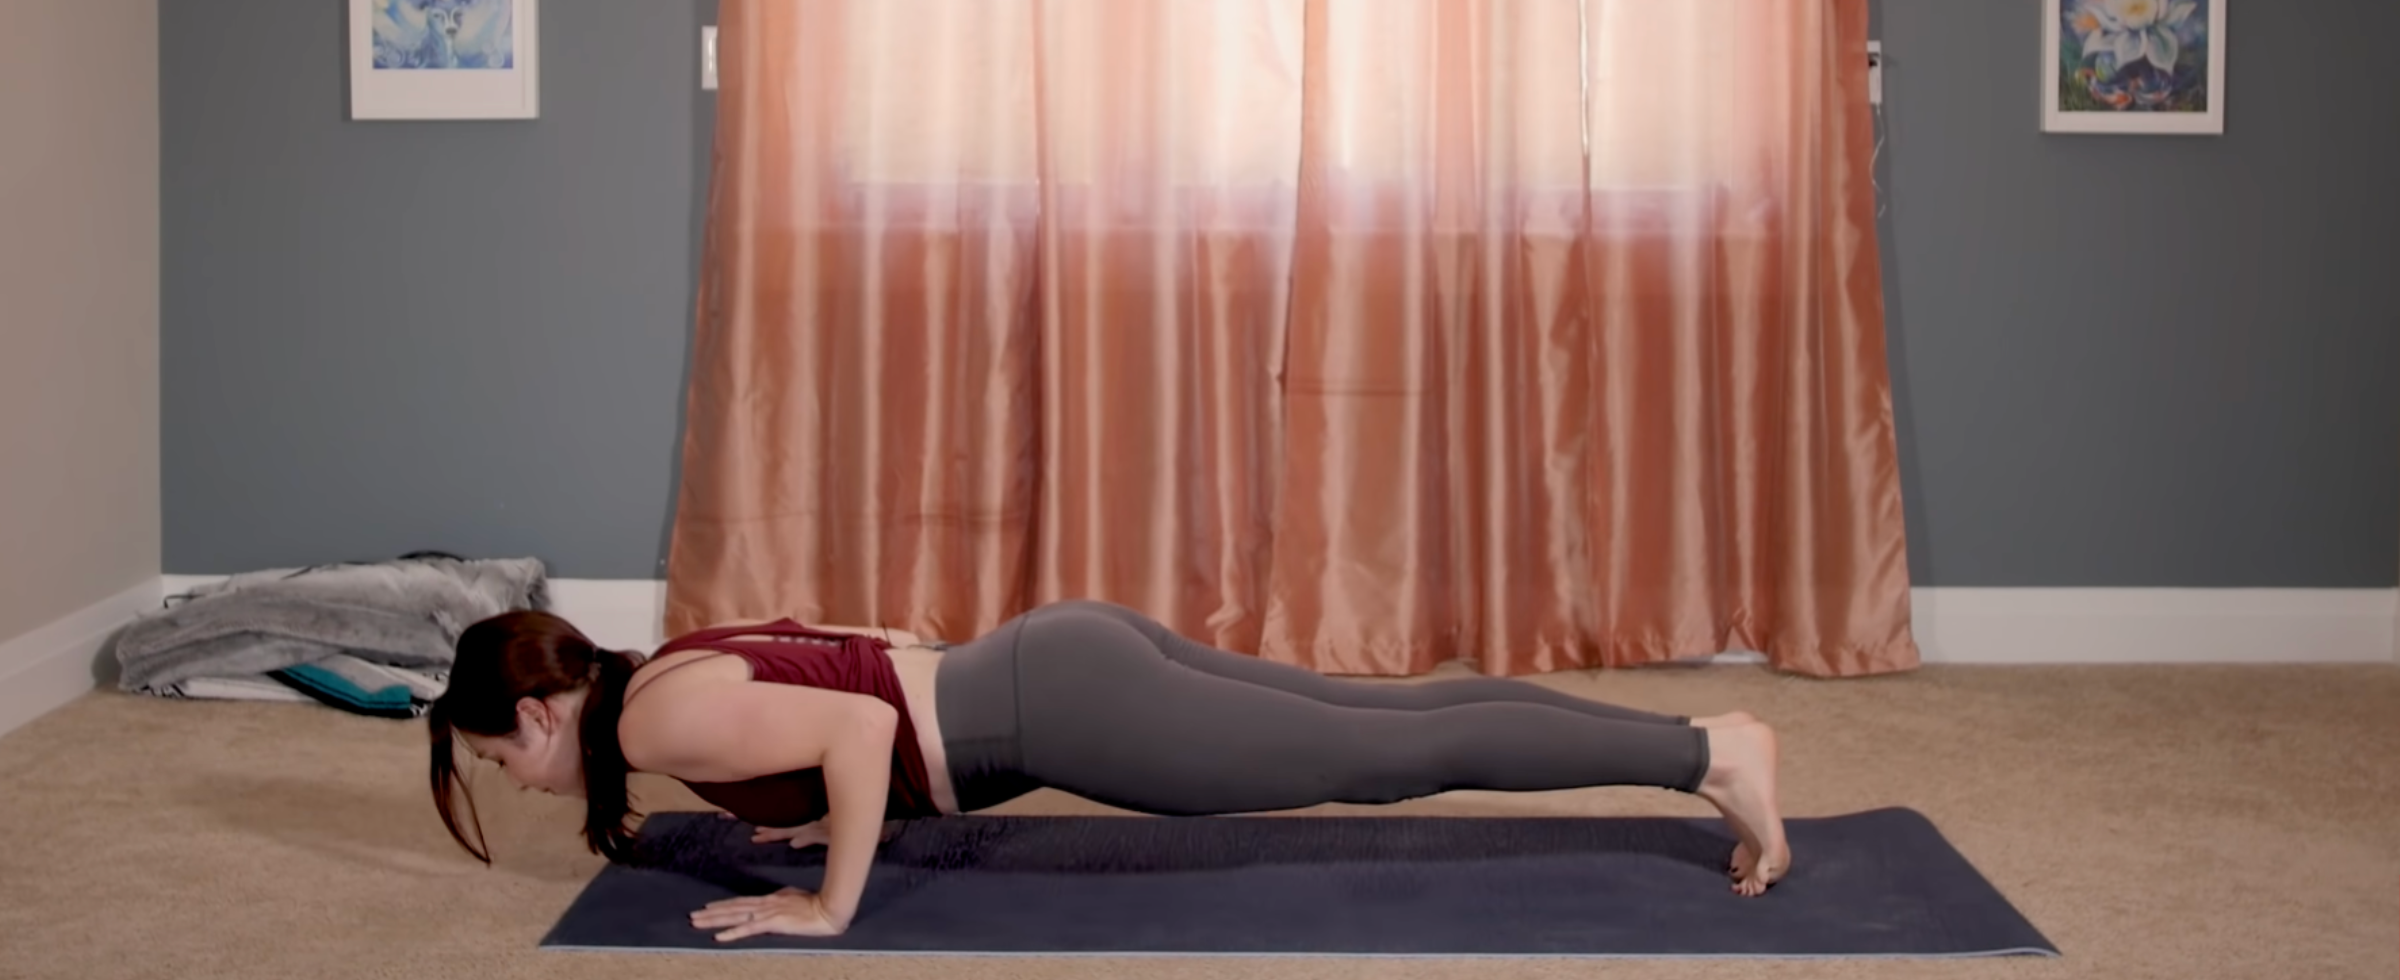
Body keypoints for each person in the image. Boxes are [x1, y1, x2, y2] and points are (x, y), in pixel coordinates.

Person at [428, 600, 1788, 942]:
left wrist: (833, 898)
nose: (510, 773)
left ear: (545, 710)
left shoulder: (655, 732)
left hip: (1058, 715)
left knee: (1390, 755)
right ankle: (1695, 749)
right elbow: (850, 663)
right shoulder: (661, 672)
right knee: (1395, 715)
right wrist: (813, 813)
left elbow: (852, 732)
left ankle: (1707, 751)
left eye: (496, 753)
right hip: (1058, 656)